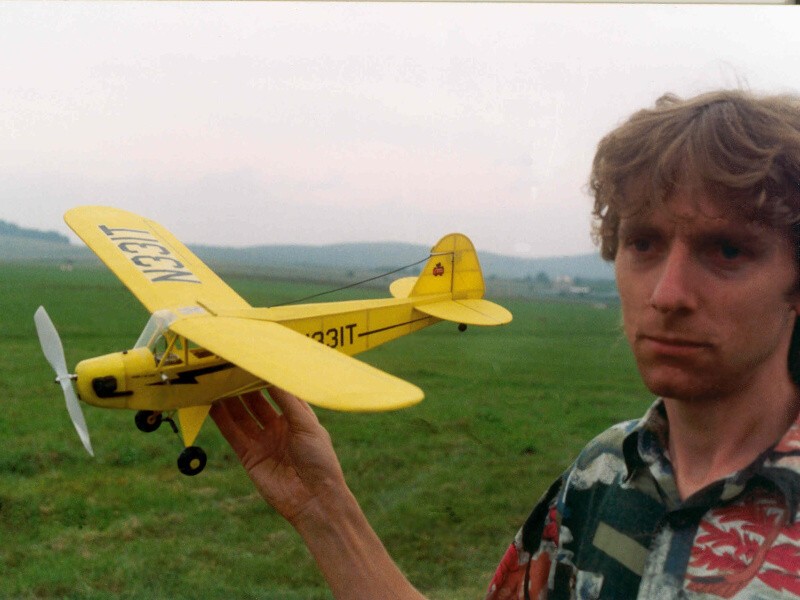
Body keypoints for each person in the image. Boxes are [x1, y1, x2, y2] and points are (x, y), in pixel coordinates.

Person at [210, 89, 800, 599]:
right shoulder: (602, 473)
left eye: (727, 250)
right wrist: (323, 508)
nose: (667, 295)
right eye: (643, 243)